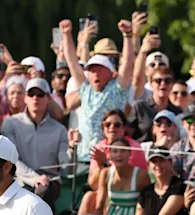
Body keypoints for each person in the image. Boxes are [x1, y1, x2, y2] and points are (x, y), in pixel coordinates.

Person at [59, 16, 137, 166]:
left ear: (110, 72)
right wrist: (66, 34)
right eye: (91, 70)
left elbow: (127, 64)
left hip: (111, 159)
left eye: (99, 70)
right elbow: (72, 63)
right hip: (83, 157)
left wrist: (127, 35)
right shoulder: (85, 89)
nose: (94, 74)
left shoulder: (117, 89)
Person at [72, 109, 146, 215]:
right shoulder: (100, 146)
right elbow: (93, 184)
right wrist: (102, 166)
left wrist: (105, 164)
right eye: (108, 124)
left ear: (124, 128)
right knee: (89, 196)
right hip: (106, 191)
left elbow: (128, 180)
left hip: (129, 197)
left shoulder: (132, 147)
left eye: (117, 125)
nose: (112, 128)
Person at [1, 78, 68, 210]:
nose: (35, 98)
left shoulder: (60, 130)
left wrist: (73, 147)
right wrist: (34, 178)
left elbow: (66, 168)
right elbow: (11, 159)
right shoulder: (11, 123)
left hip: (49, 182)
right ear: (25, 98)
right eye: (31, 94)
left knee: (41, 194)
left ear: (48, 98)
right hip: (18, 180)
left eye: (40, 94)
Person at [121, 147, 189, 215]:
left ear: (170, 162)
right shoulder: (147, 191)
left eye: (161, 161)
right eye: (154, 162)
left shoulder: (179, 187)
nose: (157, 165)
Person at [129, 66, 181, 142]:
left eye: (167, 81)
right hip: (141, 151)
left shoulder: (177, 112)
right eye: (158, 81)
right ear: (151, 84)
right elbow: (128, 135)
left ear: (172, 85)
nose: (163, 84)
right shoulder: (139, 107)